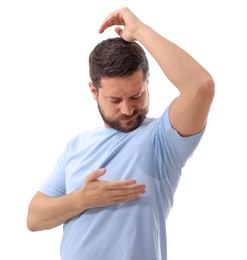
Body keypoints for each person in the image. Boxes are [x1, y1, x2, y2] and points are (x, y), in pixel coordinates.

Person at [27, 7, 215, 260]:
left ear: (147, 84)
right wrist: (81, 200)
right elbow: (34, 217)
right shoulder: (77, 145)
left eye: (136, 96)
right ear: (94, 92)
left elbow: (200, 87)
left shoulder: (162, 139)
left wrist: (140, 30)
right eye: (115, 99)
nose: (127, 109)